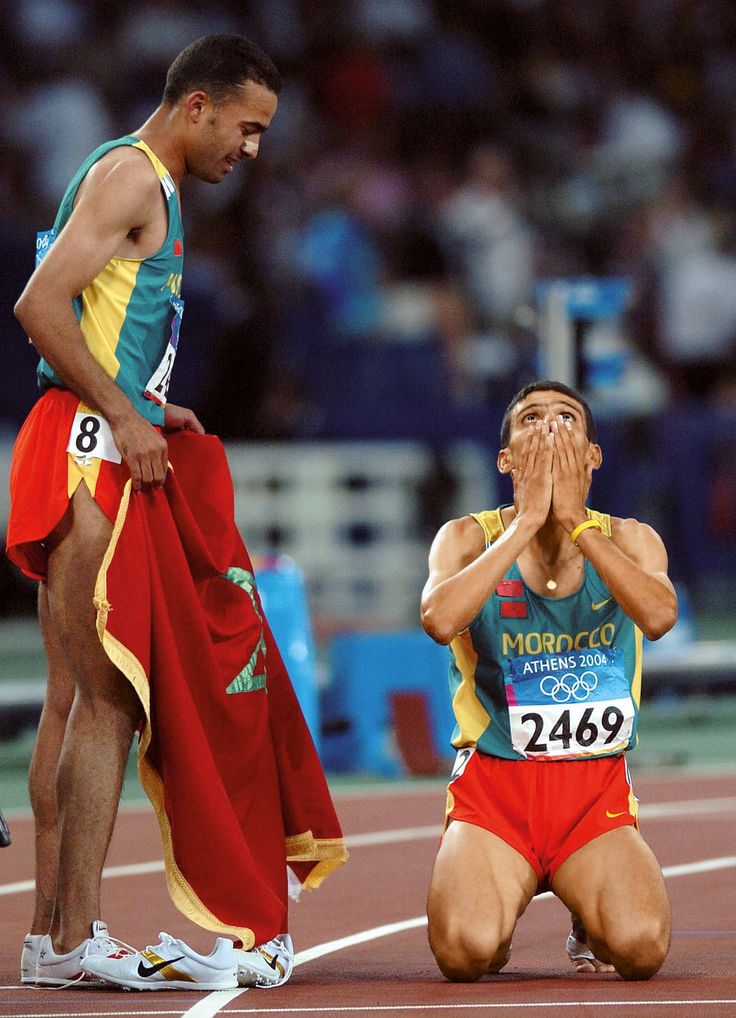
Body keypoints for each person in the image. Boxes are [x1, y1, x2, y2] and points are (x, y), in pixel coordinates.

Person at [8, 33, 345, 992]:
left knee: (73, 695)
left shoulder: (129, 177)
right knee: (110, 698)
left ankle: (48, 937)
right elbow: (40, 306)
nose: (252, 149)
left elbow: (100, 313)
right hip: (87, 450)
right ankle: (75, 939)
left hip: (79, 435)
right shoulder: (135, 178)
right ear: (196, 106)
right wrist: (120, 410)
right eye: (246, 127)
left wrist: (147, 403)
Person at [421, 379, 676, 982]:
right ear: (507, 458)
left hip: (593, 797)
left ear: (592, 455)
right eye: (531, 418)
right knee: (465, 953)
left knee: (641, 949)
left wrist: (576, 525)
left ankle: (586, 910)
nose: (549, 427)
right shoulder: (464, 537)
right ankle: (500, 900)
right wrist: (528, 521)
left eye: (566, 418)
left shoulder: (631, 538)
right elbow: (439, 619)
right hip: (494, 793)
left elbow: (660, 616)